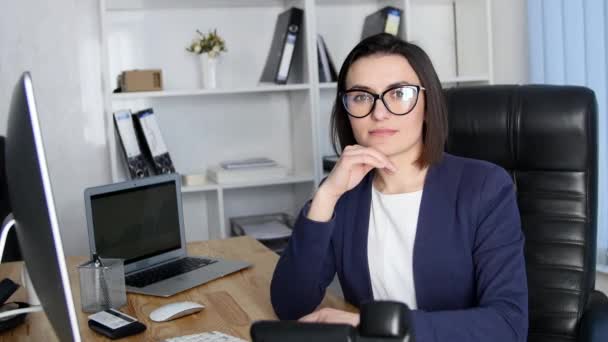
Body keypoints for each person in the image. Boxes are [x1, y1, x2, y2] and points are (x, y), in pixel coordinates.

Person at [270, 33, 528, 342]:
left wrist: (372, 325)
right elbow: (290, 305)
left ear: (428, 105)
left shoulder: (484, 188)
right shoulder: (345, 193)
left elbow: (507, 325)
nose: (379, 113)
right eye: (361, 96)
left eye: (399, 94)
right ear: (346, 111)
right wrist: (325, 197)